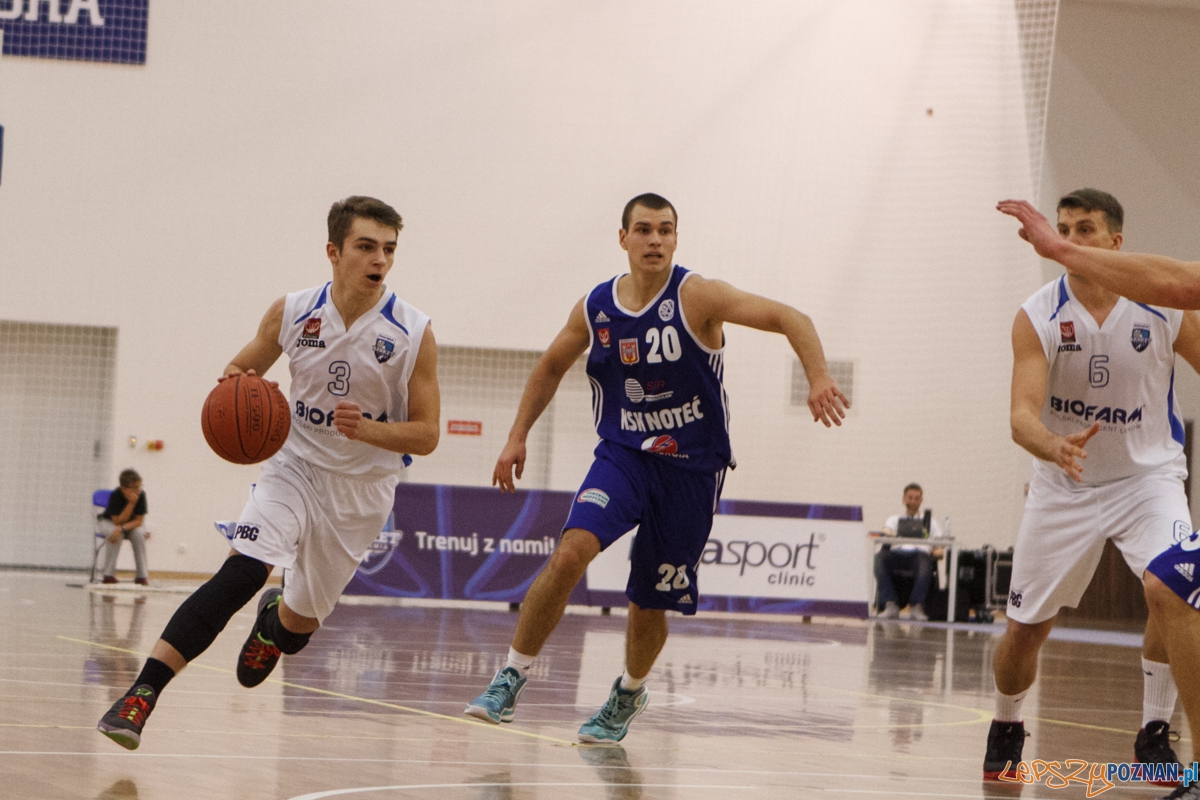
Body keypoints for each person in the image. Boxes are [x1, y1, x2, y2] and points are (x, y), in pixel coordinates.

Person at [463, 193, 848, 743]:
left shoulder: (698, 296)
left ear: (676, 239)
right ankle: (510, 677)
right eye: (644, 230)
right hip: (623, 456)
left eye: (665, 230)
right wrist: (516, 435)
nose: (655, 240)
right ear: (623, 238)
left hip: (691, 469)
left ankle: (629, 691)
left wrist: (818, 376)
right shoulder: (596, 306)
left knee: (648, 602)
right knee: (570, 553)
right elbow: (549, 366)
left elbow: (793, 318)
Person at [96, 196, 440, 750]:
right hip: (294, 467)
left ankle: (274, 621)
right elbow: (239, 368)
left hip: (361, 490)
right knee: (241, 573)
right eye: (366, 246)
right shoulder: (293, 311)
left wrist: (367, 430)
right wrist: (245, 386)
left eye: (389, 249)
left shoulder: (413, 331)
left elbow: (427, 434)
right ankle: (140, 695)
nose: (380, 259)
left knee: (297, 632)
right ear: (333, 251)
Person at [985, 189, 1200, 789]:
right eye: (1063, 229)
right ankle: (1006, 723)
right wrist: (1051, 445)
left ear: (1115, 242)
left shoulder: (1163, 306)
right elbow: (1020, 416)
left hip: (1149, 479)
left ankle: (1154, 732)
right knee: (1025, 629)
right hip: (1065, 484)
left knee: (1173, 588)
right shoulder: (1038, 314)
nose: (1071, 240)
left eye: (1085, 229)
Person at [875, 483, 943, 621]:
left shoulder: (931, 522)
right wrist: (897, 535)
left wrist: (934, 554)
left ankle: (916, 606)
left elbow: (940, 549)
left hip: (919, 556)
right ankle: (890, 604)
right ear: (904, 498)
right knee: (879, 558)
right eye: (910, 497)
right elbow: (886, 531)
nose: (913, 501)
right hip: (897, 555)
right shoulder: (894, 519)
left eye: (916, 498)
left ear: (921, 500)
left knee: (925, 561)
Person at [97, 469, 150, 586]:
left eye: (139, 486)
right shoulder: (116, 495)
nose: (138, 490)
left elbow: (139, 521)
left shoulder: (141, 495)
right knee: (115, 534)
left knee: (139, 534)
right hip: (108, 522)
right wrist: (131, 503)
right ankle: (108, 575)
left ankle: (142, 576)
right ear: (123, 488)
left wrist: (121, 528)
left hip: (129, 525)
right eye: (134, 487)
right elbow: (117, 521)